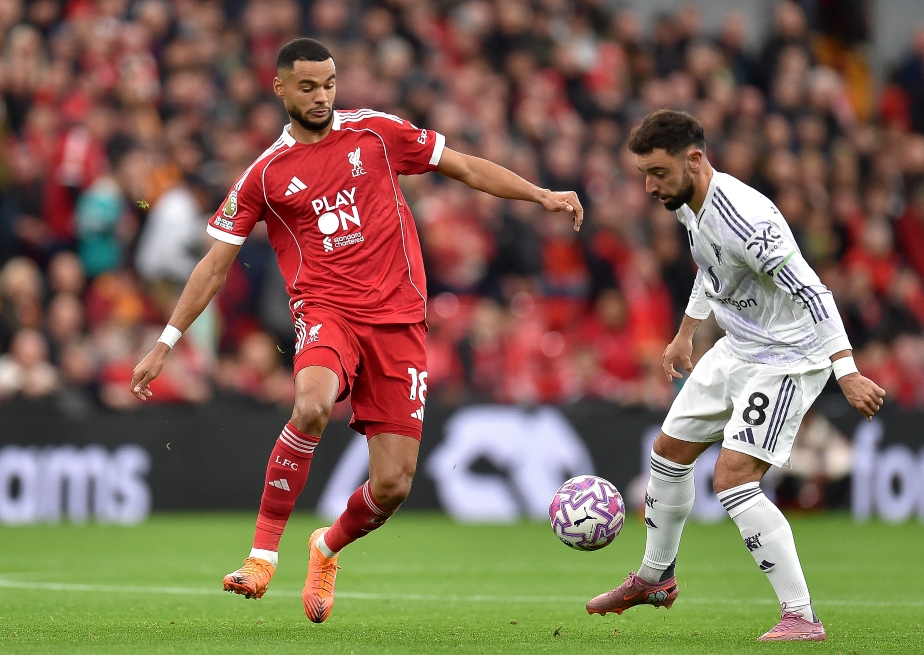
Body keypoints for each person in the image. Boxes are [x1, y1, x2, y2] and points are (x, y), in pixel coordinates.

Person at [129, 38, 583, 623]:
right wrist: (165, 343)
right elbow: (214, 264)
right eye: (308, 87)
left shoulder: (375, 132)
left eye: (329, 84)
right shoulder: (265, 175)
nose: (321, 97)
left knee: (392, 485)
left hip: (399, 320)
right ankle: (261, 556)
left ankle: (326, 547)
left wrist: (539, 194)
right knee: (312, 404)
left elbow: (466, 167)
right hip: (327, 312)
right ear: (280, 89)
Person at [585, 110, 885, 642]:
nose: (650, 187)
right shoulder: (688, 205)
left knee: (733, 479)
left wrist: (847, 371)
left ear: (694, 160)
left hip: (787, 356)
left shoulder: (748, 220)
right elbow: (711, 269)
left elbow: (813, 292)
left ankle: (801, 617)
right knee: (668, 453)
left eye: (658, 173)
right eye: (644, 174)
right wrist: (685, 333)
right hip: (738, 344)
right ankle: (655, 578)